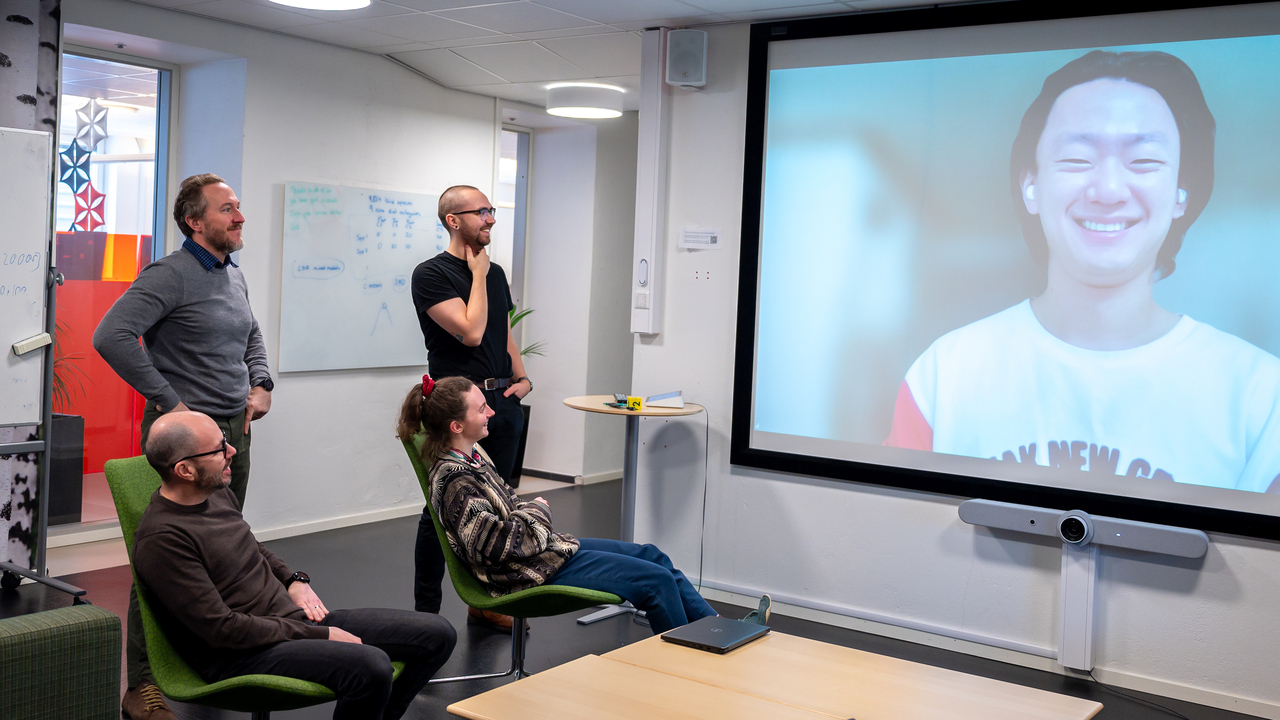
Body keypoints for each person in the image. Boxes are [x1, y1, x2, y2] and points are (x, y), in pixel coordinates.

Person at [885, 51, 1280, 494]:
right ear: (1030, 186)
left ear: (1180, 194)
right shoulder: (945, 376)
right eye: (1076, 160)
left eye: (1144, 162)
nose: (1108, 190)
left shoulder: (1262, 399)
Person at [134, 411, 456, 720]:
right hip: (240, 654)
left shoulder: (214, 492)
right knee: (371, 667)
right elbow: (222, 630)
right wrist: (320, 635)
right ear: (185, 470)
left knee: (437, 634)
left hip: (289, 624)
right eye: (220, 449)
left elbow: (251, 545)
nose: (232, 450)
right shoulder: (163, 540)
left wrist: (293, 580)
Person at [94, 172, 274, 718]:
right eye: (227, 209)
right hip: (183, 441)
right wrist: (170, 402)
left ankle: (213, 655)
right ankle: (142, 685)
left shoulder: (231, 274)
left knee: (225, 551)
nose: (239, 216)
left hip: (230, 433)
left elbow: (250, 334)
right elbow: (111, 335)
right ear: (195, 222)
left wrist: (261, 382)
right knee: (162, 557)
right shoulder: (169, 275)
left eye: (238, 206)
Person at [397, 376, 773, 635]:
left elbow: (512, 512)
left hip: (539, 551)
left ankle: (723, 630)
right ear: (456, 426)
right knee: (655, 583)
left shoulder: (472, 456)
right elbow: (500, 546)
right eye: (481, 409)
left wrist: (531, 516)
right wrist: (540, 511)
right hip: (523, 572)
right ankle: (682, 674)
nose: (491, 412)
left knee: (652, 556)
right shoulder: (456, 482)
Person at [409, 185, 532, 626]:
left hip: (501, 403)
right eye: (481, 212)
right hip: (456, 406)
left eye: (491, 210)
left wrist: (521, 379)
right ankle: (425, 615)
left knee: (498, 504)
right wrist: (477, 275)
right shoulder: (431, 275)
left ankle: (485, 601)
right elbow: (471, 331)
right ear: (453, 220)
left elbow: (503, 331)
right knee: (441, 507)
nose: (491, 219)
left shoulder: (496, 273)